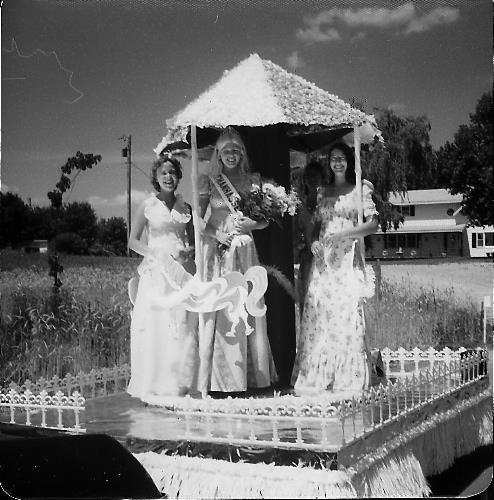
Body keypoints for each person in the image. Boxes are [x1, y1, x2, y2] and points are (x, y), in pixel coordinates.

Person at [292, 143, 379, 397]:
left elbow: (373, 224)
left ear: (349, 161)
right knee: (322, 314)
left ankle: (348, 376)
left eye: (341, 159)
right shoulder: (323, 192)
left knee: (348, 314)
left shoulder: (360, 188)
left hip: (348, 256)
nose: (337, 163)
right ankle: (319, 375)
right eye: (333, 159)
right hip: (326, 262)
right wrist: (314, 244)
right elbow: (316, 228)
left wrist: (345, 233)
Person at [198, 126, 276, 393]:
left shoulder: (254, 181)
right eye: (226, 151)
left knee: (248, 306)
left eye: (235, 150)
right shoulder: (209, 182)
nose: (231, 154)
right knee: (223, 310)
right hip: (220, 254)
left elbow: (266, 220)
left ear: (242, 153)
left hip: (245, 252)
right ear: (218, 155)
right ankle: (222, 378)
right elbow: (200, 220)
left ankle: (252, 377)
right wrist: (219, 236)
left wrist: (250, 226)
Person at [127, 154, 198, 401]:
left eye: (172, 173)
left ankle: (178, 383)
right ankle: (154, 383)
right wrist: (155, 253)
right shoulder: (146, 206)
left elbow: (193, 242)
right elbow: (132, 241)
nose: (168, 177)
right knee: (157, 325)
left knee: (180, 325)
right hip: (156, 272)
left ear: (178, 177)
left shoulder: (185, 208)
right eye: (163, 173)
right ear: (156, 178)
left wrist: (189, 253)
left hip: (180, 272)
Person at [294, 160, 325, 316]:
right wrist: (301, 248)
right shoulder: (300, 205)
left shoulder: (327, 201)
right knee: (306, 303)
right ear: (304, 180)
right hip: (307, 260)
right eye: (309, 176)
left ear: (322, 178)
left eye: (316, 176)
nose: (312, 180)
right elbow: (296, 233)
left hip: (325, 259)